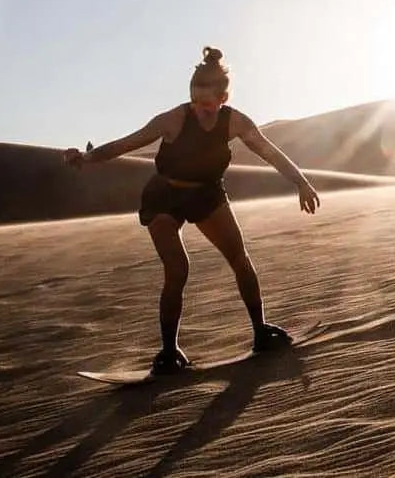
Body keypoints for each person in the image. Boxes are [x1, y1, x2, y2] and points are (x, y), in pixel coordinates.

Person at [63, 46, 321, 373]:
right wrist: (86, 158)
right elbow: (126, 143)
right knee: (178, 268)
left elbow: (269, 152)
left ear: (223, 98)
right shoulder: (174, 119)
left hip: (206, 195)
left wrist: (301, 182)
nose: (200, 108)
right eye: (195, 100)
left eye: (207, 103)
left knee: (239, 258)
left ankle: (261, 331)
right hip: (165, 195)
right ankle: (169, 352)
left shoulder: (235, 122)